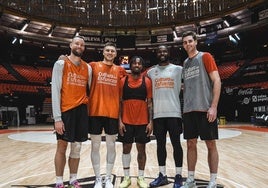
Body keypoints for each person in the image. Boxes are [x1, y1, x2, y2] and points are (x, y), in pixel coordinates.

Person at [181, 31, 221, 188]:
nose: (187, 44)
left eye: (190, 41)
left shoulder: (205, 56)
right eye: (184, 42)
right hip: (189, 110)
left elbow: (217, 80)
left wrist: (213, 107)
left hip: (205, 109)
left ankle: (213, 180)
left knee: (210, 144)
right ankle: (190, 179)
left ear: (196, 42)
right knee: (191, 144)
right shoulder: (185, 63)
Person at [51, 35, 92, 188]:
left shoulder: (87, 68)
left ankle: (73, 179)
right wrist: (57, 118)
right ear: (70, 45)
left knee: (77, 148)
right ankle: (59, 181)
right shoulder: (61, 64)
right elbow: (55, 91)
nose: (79, 46)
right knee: (61, 147)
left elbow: (89, 90)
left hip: (81, 111)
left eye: (82, 45)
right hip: (66, 111)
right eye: (77, 43)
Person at [88, 42, 127, 188]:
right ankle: (98, 178)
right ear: (103, 52)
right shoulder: (93, 66)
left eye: (112, 51)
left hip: (112, 113)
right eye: (107, 50)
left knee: (111, 146)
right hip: (95, 111)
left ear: (116, 54)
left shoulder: (120, 70)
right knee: (95, 146)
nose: (110, 53)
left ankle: (108, 178)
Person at [147, 45, 184, 188]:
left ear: (168, 53)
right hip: (158, 116)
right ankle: (162, 175)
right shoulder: (151, 72)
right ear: (156, 54)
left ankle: (179, 176)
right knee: (160, 146)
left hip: (174, 113)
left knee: (176, 145)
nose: (162, 53)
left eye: (164, 51)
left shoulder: (178, 69)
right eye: (159, 51)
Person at [118, 56, 153, 188]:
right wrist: (119, 121)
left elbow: (150, 103)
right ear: (130, 66)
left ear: (142, 66)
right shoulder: (123, 81)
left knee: (141, 150)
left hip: (142, 121)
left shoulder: (147, 81)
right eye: (134, 63)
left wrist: (151, 122)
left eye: (139, 63)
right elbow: (119, 102)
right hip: (126, 121)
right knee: (126, 149)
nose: (136, 65)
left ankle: (141, 177)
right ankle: (126, 178)